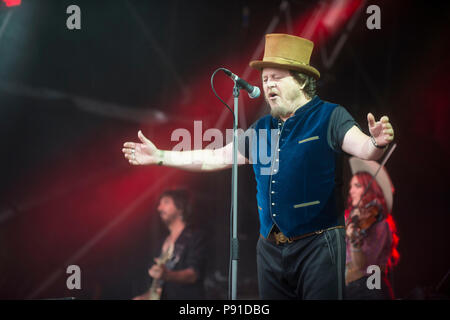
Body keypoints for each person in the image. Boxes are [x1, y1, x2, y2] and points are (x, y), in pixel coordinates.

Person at [122, 33, 395, 299]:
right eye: (265, 79)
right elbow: (215, 157)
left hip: (318, 246)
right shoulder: (262, 128)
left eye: (276, 78)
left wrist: (376, 142)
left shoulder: (330, 116)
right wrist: (160, 156)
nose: (268, 85)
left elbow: (363, 148)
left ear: (302, 81)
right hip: (270, 250)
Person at [133, 189, 207, 300]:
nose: (159, 208)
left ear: (181, 207)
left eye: (166, 202)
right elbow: (158, 287)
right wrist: (144, 297)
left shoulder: (195, 237)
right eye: (159, 204)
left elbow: (193, 274)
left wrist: (167, 275)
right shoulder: (161, 243)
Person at [345, 157, 399, 299]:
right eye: (351, 186)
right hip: (348, 290)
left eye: (357, 186)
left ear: (370, 188)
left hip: (370, 288)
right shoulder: (350, 220)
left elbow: (364, 266)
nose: (351, 191)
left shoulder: (381, 224)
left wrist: (354, 241)